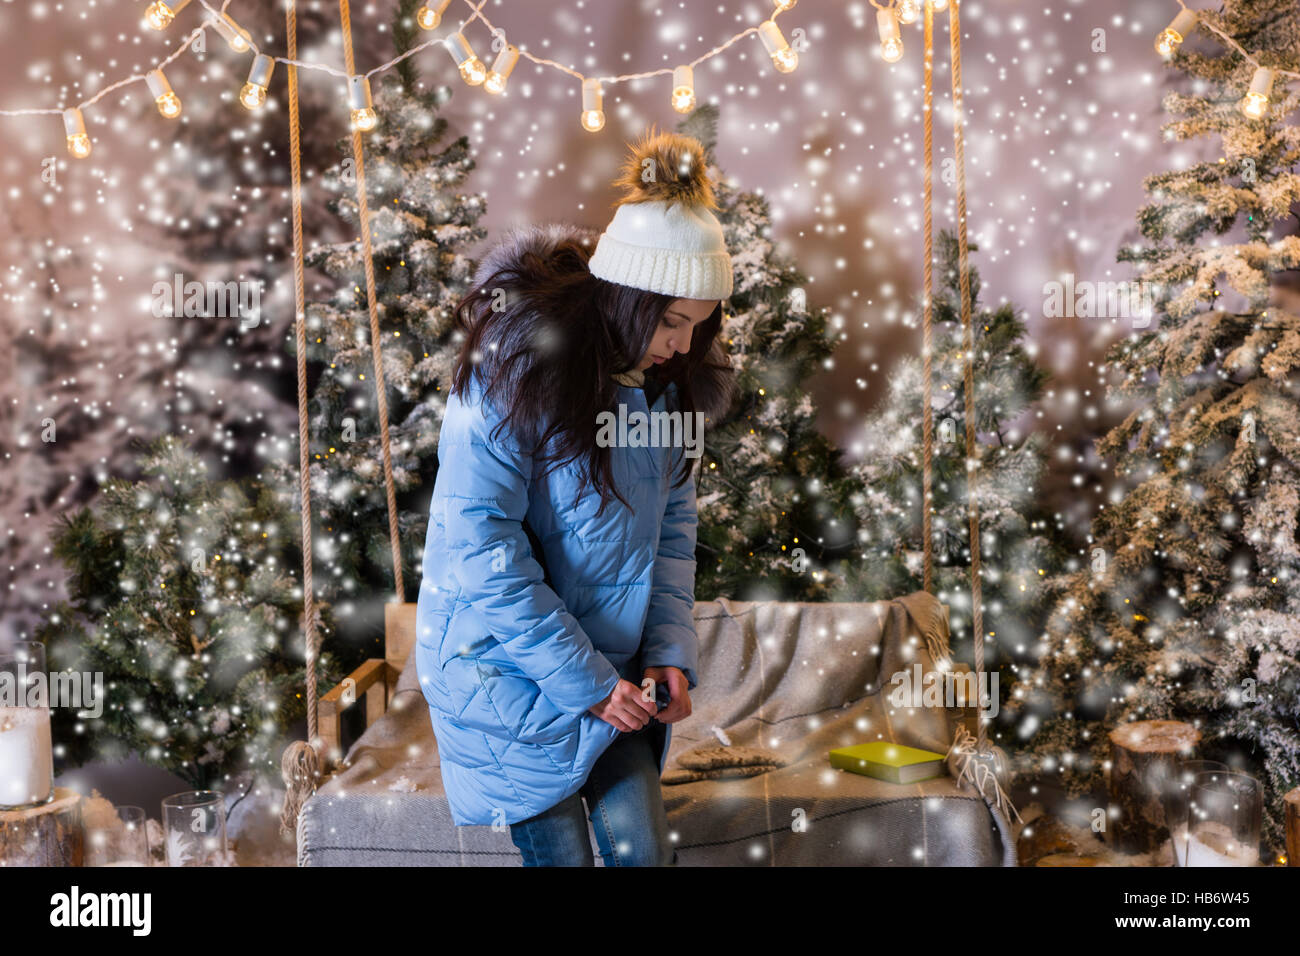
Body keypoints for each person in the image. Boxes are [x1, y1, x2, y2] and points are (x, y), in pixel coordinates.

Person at [415, 128, 737, 866]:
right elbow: (478, 546)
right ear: (627, 301)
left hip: (607, 676)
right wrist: (586, 683)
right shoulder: (512, 375)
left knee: (641, 852)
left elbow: (672, 532)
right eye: (672, 321)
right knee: (561, 857)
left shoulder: (663, 390)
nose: (683, 347)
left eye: (698, 327)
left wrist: (668, 654)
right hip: (500, 673)